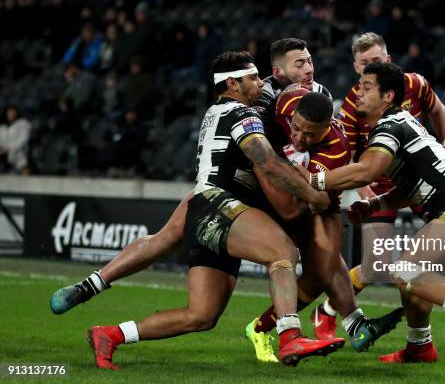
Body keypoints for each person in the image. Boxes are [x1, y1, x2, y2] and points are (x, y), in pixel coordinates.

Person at [81, 51, 343, 369]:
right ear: (232, 83)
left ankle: (110, 334)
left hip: (207, 211)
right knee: (282, 251)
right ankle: (290, 337)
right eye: (253, 78)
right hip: (218, 207)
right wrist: (311, 195)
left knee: (202, 316)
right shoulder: (240, 114)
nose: (260, 84)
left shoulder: (218, 111)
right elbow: (267, 162)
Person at [49, 38, 332, 317]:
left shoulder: (310, 95)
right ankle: (300, 325)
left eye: (309, 61)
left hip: (217, 186)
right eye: (300, 63)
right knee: (291, 249)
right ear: (280, 70)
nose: (308, 68)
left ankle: (91, 286)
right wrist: (312, 191)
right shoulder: (263, 95)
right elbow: (265, 159)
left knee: (169, 245)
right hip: (238, 186)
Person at [314, 32, 445, 348]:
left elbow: (369, 165)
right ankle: (419, 346)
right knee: (395, 271)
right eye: (364, 69)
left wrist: (315, 181)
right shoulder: (365, 112)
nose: (360, 89)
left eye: (375, 69)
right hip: (409, 189)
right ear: (355, 66)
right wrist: (372, 198)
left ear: (388, 76)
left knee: (407, 269)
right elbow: (365, 164)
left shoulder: (394, 118)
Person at [245, 87, 403, 363]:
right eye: (296, 128)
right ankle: (352, 323)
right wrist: (266, 160)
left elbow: (304, 204)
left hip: (313, 199)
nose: (299, 137)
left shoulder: (335, 148)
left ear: (325, 129)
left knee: (324, 263)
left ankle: (265, 327)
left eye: (309, 134)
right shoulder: (287, 102)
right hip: (268, 191)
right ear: (291, 115)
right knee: (320, 261)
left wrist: (268, 164)